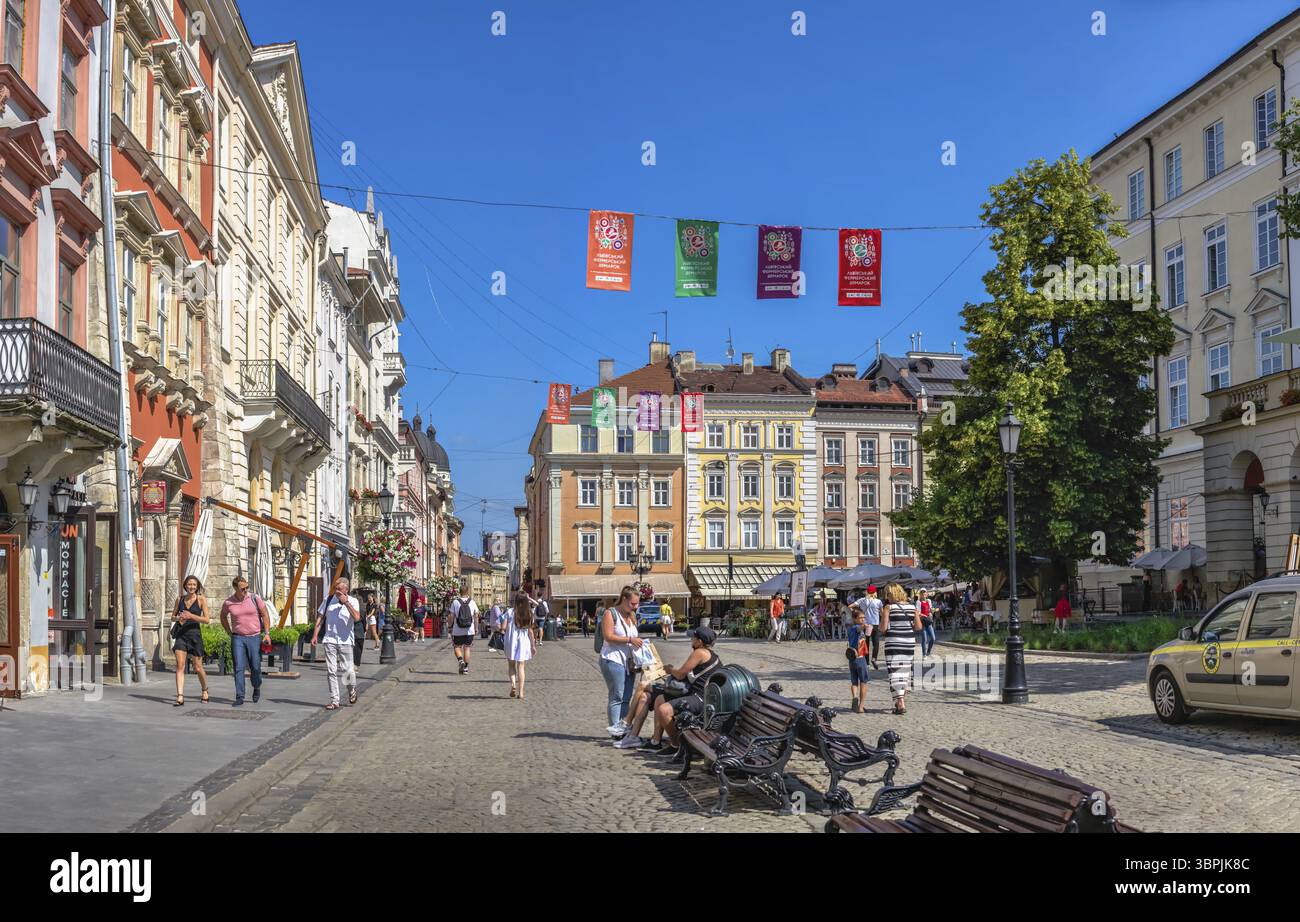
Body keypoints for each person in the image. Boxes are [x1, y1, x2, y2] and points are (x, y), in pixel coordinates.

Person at [616, 625, 721, 750]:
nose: (691, 640)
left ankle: (676, 745)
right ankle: (655, 741)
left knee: (655, 700)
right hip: (694, 693)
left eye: (693, 637)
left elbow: (681, 674)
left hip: (698, 697)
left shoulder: (700, 652)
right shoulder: (710, 654)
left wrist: (670, 670)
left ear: (700, 641)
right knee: (658, 698)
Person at [219, 576, 271, 708]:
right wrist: (229, 632)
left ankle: (257, 686)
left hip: (254, 636)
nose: (246, 590)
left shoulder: (254, 598)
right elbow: (223, 616)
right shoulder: (228, 603)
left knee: (256, 667)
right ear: (235, 588)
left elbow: (265, 614)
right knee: (239, 667)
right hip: (238, 638)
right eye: (243, 588)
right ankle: (239, 696)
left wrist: (267, 633)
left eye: (247, 587)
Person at [599, 585, 643, 739]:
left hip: (628, 663)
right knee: (617, 696)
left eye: (637, 604)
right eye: (633, 603)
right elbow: (608, 636)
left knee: (627, 697)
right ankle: (615, 731)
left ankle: (623, 728)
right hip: (612, 659)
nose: (635, 606)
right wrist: (630, 640)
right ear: (624, 599)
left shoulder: (631, 616)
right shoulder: (610, 614)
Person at [312, 577, 362, 709]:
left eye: (340, 590)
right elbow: (320, 617)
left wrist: (346, 603)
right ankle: (335, 700)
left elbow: (357, 618)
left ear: (347, 590)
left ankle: (351, 690)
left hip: (346, 640)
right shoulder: (328, 600)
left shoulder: (353, 601)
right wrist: (315, 635)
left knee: (347, 670)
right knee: (331, 670)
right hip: (330, 639)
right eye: (336, 589)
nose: (337, 593)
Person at [879, 583, 921, 715]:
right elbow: (918, 627)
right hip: (909, 642)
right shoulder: (912, 606)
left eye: (887, 594)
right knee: (904, 671)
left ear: (891, 594)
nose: (887, 597)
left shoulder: (888, 607)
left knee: (894, 671)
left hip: (894, 642)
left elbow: (883, 628)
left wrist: (882, 618)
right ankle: (899, 702)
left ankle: (901, 702)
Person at [170, 575, 211, 706]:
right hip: (181, 635)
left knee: (198, 667)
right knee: (180, 666)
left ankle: (205, 689)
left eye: (194, 584)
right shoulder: (179, 599)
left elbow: (206, 620)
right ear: (185, 586)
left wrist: (191, 615)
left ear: (197, 586)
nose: (191, 587)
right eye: (189, 584)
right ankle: (180, 696)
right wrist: (179, 618)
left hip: (195, 636)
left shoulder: (201, 599)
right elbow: (172, 617)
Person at [505, 591, 538, 699]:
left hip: (511, 640)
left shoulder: (510, 612)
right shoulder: (529, 613)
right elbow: (530, 632)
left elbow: (503, 626)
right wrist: (533, 646)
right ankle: (521, 692)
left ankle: (513, 684)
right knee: (521, 666)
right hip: (523, 641)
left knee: (511, 665)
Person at [846, 607, 871, 713]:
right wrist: (864, 626)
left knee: (854, 681)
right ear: (854, 619)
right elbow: (859, 629)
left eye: (863, 618)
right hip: (860, 658)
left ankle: (855, 697)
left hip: (851, 659)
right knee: (864, 681)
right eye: (860, 618)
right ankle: (861, 706)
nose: (863, 619)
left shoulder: (849, 628)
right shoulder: (856, 628)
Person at [852, 585, 882, 669]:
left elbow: (850, 606)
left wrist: (858, 613)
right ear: (875, 592)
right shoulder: (878, 601)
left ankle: (867, 663)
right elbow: (882, 613)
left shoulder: (862, 600)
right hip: (875, 624)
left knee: (866, 643)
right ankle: (874, 658)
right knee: (876, 643)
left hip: (866, 625)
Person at [451, 586, 478, 675]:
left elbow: (451, 616)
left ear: (460, 592)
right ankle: (466, 668)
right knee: (467, 648)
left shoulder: (455, 602)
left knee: (457, 647)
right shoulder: (472, 602)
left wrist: (449, 626)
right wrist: (476, 628)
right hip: (469, 629)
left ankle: (460, 660)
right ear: (468, 592)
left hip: (458, 629)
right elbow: (476, 616)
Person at [918, 589, 936, 658]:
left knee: (933, 638)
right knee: (924, 639)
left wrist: (932, 611)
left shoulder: (929, 601)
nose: (923, 594)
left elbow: (930, 609)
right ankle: (924, 654)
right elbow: (918, 612)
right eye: (922, 592)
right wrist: (924, 615)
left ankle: (928, 651)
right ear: (920, 594)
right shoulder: (918, 602)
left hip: (928, 621)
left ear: (926, 593)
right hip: (922, 621)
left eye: (924, 592)